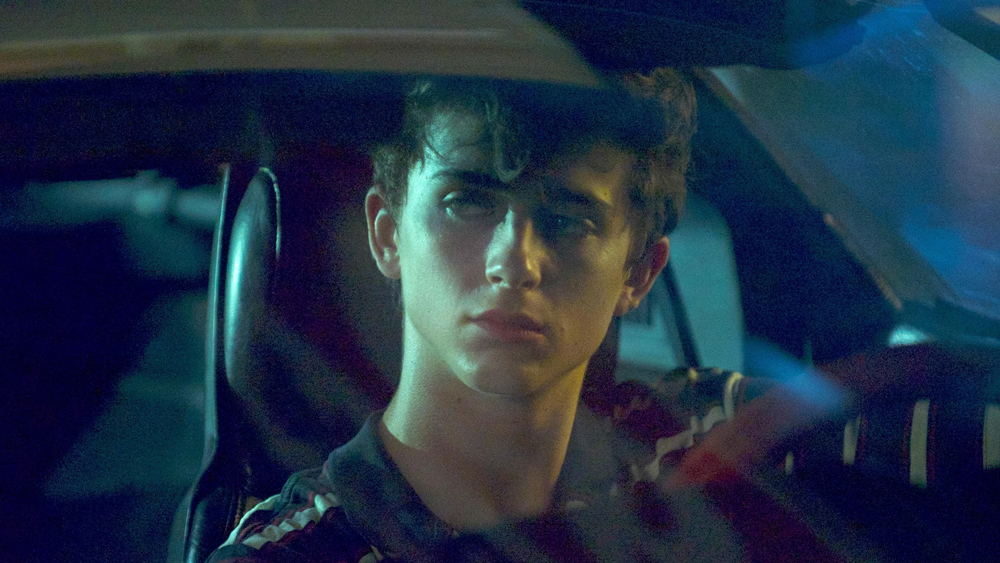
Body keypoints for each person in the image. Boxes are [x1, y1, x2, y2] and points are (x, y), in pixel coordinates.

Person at [204, 69, 743, 562]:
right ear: (387, 235)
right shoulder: (288, 556)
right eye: (466, 202)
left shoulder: (712, 442)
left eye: (567, 221)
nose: (514, 263)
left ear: (638, 274)